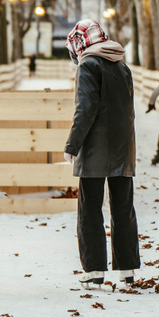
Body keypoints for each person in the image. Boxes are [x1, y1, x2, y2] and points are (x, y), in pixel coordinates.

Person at [62, 19, 139, 291]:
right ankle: (127, 269)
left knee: (90, 210)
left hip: (94, 149)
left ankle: (94, 270)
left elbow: (85, 110)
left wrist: (72, 145)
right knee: (123, 208)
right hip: (122, 148)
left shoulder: (88, 65)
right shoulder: (122, 66)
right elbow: (128, 111)